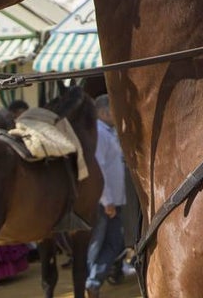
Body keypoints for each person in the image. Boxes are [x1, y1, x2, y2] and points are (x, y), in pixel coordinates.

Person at [86, 95, 126, 298]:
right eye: (114, 110)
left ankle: (92, 281)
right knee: (101, 243)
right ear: (103, 112)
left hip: (114, 199)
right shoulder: (100, 133)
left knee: (112, 242)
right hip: (105, 201)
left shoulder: (109, 132)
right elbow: (98, 168)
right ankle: (91, 282)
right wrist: (107, 200)